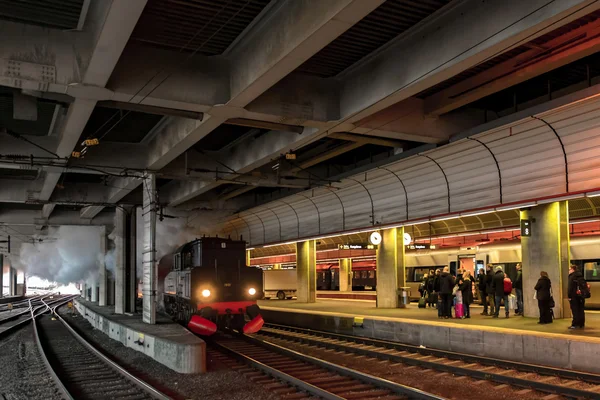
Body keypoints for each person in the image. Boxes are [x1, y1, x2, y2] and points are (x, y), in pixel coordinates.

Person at [568, 264, 586, 329]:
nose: (569, 271)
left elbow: (570, 287)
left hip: (574, 296)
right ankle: (581, 323)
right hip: (581, 296)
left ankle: (575, 324)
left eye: (569, 269)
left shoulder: (572, 276)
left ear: (573, 269)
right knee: (581, 310)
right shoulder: (580, 276)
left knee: (575, 310)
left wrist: (569, 296)